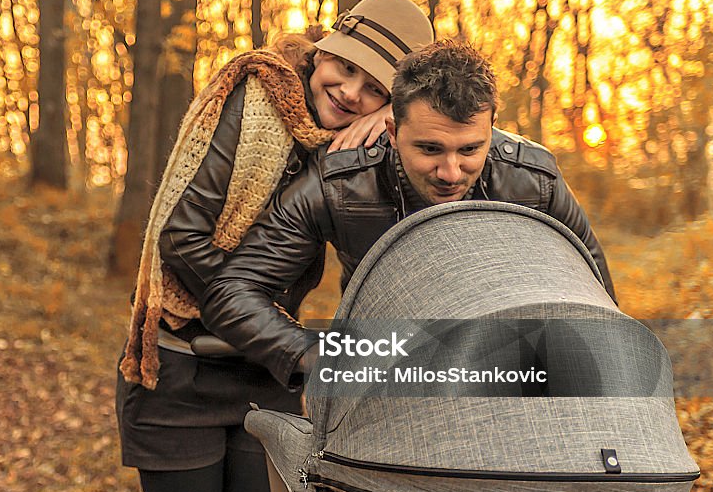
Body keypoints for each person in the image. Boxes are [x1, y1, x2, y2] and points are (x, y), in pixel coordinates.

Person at [117, 0, 434, 492]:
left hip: (266, 378)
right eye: (346, 68)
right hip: (182, 368)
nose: (349, 93)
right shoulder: (256, 102)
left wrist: (388, 133)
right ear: (325, 50)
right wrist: (254, 314)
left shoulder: (348, 147)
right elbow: (182, 238)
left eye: (374, 90)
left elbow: (381, 247)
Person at [201, 39, 617, 390]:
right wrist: (318, 358)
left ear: (492, 128)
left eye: (470, 149)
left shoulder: (535, 179)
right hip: (387, 373)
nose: (451, 172)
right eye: (430, 149)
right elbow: (231, 293)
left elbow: (600, 301)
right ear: (393, 131)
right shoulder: (338, 183)